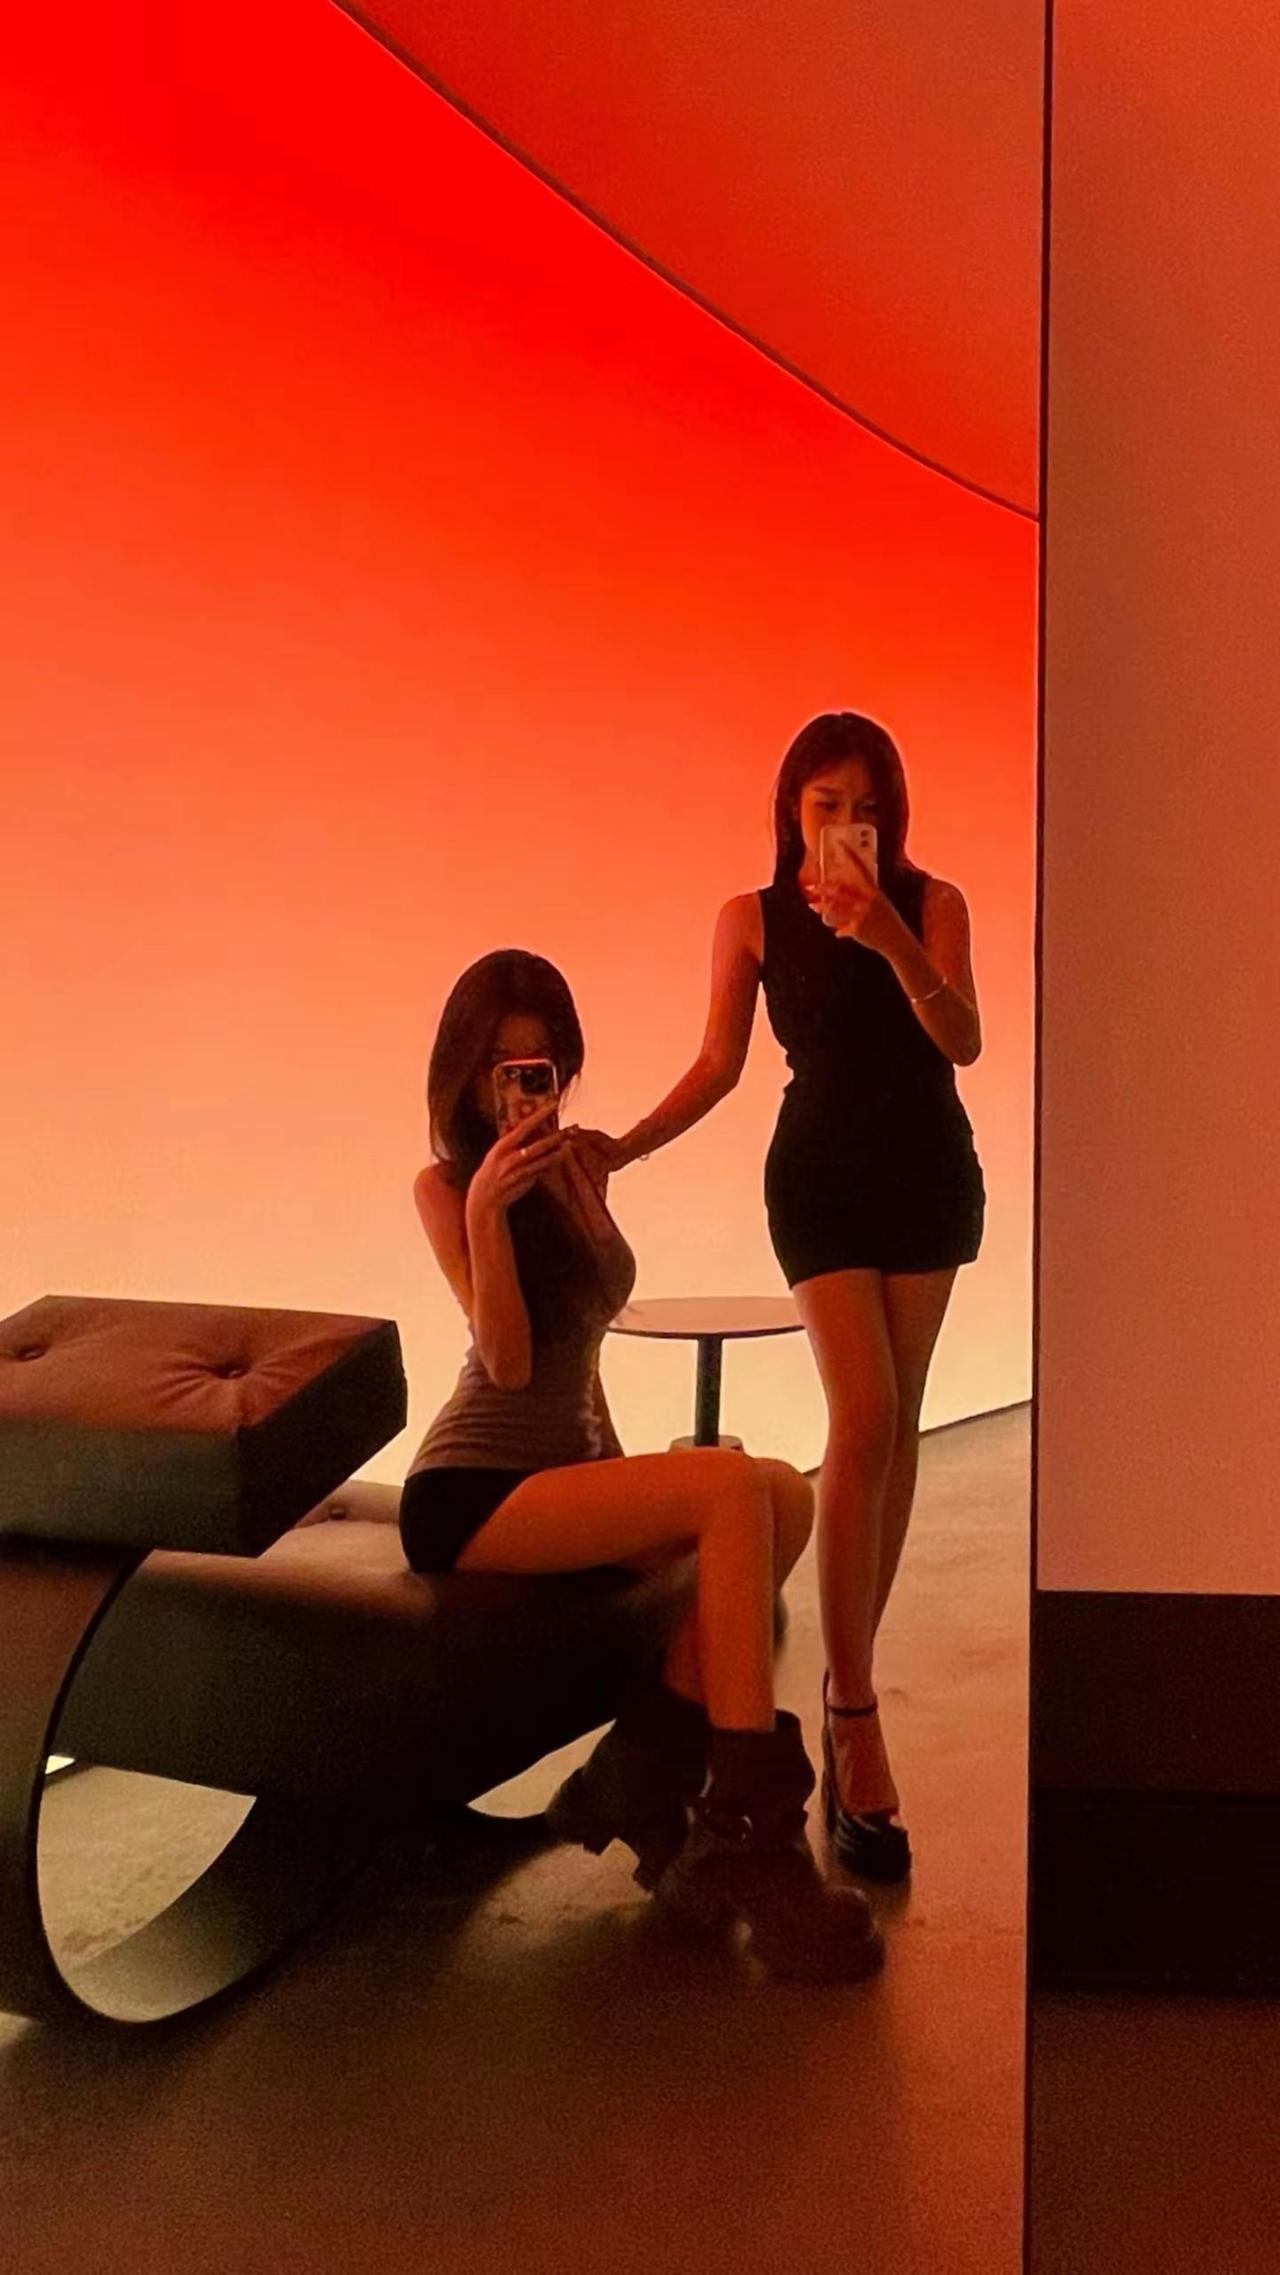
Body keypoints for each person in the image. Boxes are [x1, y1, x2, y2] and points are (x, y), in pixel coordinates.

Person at [400, 946, 881, 1982]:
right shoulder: (447, 1189)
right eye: (499, 1065)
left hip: (562, 1472)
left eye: (539, 1063)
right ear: (466, 1074)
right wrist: (487, 1213)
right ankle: (756, 1844)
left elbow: (583, 1344)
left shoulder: (580, 1172)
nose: (522, 1085)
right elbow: (509, 1360)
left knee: (780, 1496)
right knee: (727, 1482)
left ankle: (643, 1772)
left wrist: (618, 1476)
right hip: (471, 1492)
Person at [580, 713, 985, 1881]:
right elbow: (717, 1063)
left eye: (865, 806)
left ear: (890, 813)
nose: (847, 824)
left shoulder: (931, 901)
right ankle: (852, 1713)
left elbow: (960, 1039)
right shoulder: (749, 917)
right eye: (824, 805)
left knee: (895, 1430)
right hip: (815, 1179)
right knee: (862, 1416)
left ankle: (850, 1677)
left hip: (925, 1172)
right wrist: (623, 1148)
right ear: (789, 811)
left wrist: (888, 936)